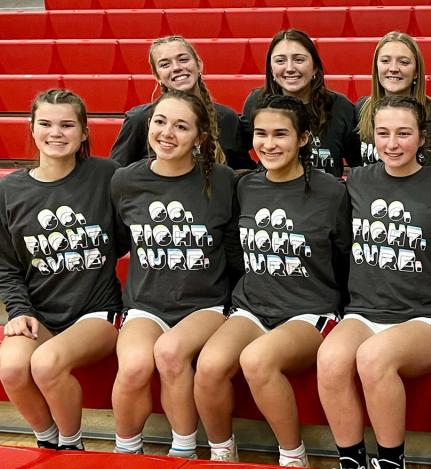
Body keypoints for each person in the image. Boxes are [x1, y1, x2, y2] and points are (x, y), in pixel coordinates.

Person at [194, 95, 351, 466]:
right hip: (253, 306)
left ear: (304, 138)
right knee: (209, 366)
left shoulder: (332, 191)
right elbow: (234, 246)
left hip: (310, 312)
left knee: (257, 360)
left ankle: (293, 455)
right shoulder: (244, 185)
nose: (269, 143)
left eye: (281, 134)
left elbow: (345, 255)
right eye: (261, 134)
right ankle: (222, 453)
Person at [315, 95, 431, 469]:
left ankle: (390, 462)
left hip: (424, 317)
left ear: (422, 138)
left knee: (373, 358)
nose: (392, 143)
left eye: (403, 133)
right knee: (331, 359)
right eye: (383, 133)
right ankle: (350, 460)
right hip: (365, 311)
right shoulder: (358, 182)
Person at [110, 90, 239, 458]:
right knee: (134, 366)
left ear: (199, 137)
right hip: (146, 304)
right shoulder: (125, 181)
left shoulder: (224, 181)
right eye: (160, 122)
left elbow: (235, 252)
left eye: (181, 126)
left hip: (205, 304)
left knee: (169, 352)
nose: (167, 133)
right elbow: (117, 241)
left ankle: (183, 451)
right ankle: (125, 452)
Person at [0, 89, 124, 452]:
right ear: (32, 129)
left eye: (68, 124)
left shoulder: (105, 175)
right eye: (47, 124)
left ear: (84, 132)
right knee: (10, 369)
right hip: (40, 313)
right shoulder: (11, 190)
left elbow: (129, 234)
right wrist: (19, 311)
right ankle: (48, 443)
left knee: (47, 363)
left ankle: (72, 447)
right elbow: (6, 264)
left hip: (97, 313)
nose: (57, 132)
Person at [109, 35, 254, 170]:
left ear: (199, 64)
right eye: (165, 64)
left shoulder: (226, 117)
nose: (177, 67)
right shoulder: (139, 119)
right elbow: (116, 174)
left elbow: (241, 172)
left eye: (183, 59)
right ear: (156, 75)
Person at [243, 29, 360, 178]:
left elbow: (358, 163)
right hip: (272, 197)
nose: (290, 68)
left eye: (299, 60)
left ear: (315, 67)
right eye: (280, 61)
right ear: (271, 69)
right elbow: (240, 154)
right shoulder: (256, 102)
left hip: (325, 197)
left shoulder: (341, 107)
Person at [356, 32, 431, 169]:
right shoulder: (362, 108)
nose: (393, 68)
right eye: (385, 61)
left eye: (403, 62)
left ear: (416, 72)